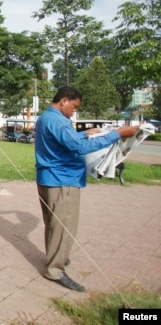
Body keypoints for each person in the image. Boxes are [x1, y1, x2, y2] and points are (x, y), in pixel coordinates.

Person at [35, 86, 138, 292]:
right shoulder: (58, 120)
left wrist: (83, 133)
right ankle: (55, 269)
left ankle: (57, 255)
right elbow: (79, 148)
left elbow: (65, 142)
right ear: (64, 100)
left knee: (54, 224)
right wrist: (117, 134)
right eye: (74, 106)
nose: (74, 111)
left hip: (50, 178)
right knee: (64, 226)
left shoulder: (47, 117)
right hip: (62, 181)